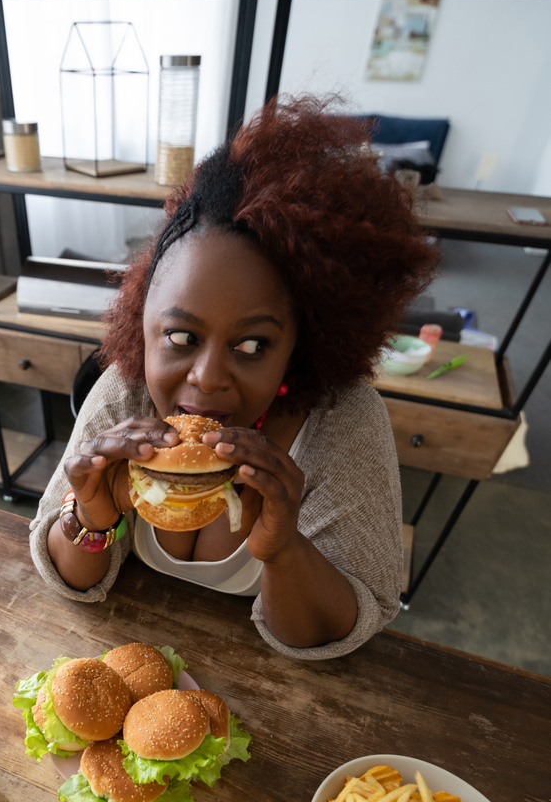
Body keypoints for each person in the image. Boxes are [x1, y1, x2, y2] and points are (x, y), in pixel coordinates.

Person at [30, 96, 438, 660]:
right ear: (142, 322)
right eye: (180, 338)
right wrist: (91, 517)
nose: (206, 380)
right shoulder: (126, 392)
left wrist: (284, 548)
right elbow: (69, 580)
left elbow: (339, 631)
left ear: (300, 344)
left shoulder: (343, 422)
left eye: (252, 345)